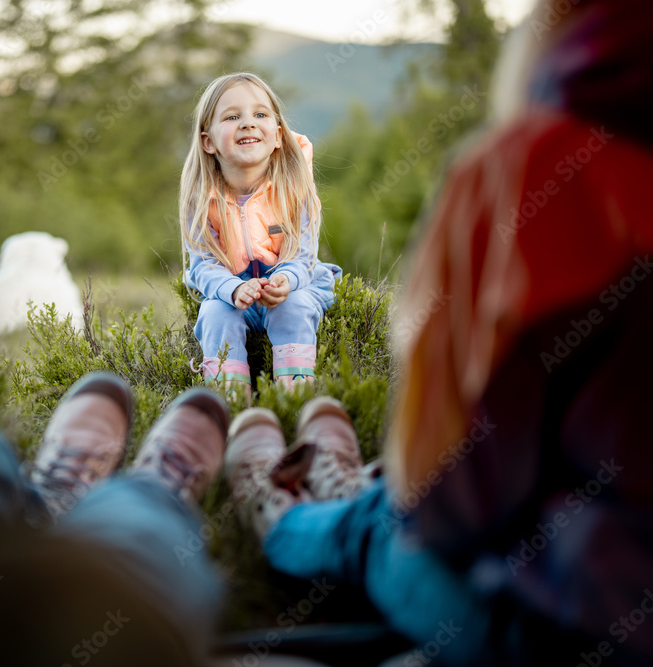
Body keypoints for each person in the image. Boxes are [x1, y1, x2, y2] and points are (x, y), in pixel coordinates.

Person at [222, 0, 653, 664]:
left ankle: (282, 513)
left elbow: (444, 506)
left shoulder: (545, 167)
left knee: (387, 520)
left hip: (565, 628)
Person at [179, 72, 341, 403]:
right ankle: (231, 403)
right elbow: (202, 265)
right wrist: (233, 288)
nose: (248, 123)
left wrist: (286, 279)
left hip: (294, 286)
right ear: (208, 141)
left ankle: (294, 399)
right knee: (214, 314)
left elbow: (304, 254)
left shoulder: (295, 191)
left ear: (279, 136)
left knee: (293, 307)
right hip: (235, 292)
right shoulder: (200, 200)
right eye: (232, 116)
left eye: (260, 114)